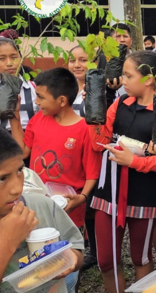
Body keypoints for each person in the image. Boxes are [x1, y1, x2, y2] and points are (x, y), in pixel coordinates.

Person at [89, 52, 156, 293]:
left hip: (144, 193)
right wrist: (94, 112)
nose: (123, 80)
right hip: (108, 190)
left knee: (141, 258)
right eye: (123, 75)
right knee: (106, 260)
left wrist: (133, 161)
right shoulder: (119, 104)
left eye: (129, 75)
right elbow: (97, 142)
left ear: (149, 79)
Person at [10, 68, 101, 233]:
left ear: (61, 101)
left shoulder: (85, 129)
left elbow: (92, 172)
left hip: (67, 206)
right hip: (36, 203)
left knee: (66, 249)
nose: (36, 102)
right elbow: (22, 152)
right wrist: (14, 114)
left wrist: (82, 198)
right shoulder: (38, 119)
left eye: (41, 97)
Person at [0, 128, 85, 293]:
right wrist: (8, 242)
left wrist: (72, 258)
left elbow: (77, 248)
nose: (17, 189)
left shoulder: (43, 205)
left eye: (19, 171)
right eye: (2, 179)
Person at [0, 37, 38, 132]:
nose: (9, 63)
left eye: (14, 57)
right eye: (2, 58)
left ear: (21, 58)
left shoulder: (34, 88)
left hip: (30, 140)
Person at [68, 46, 89, 117]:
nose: (76, 65)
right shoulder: (62, 88)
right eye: (72, 61)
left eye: (83, 60)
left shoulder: (105, 90)